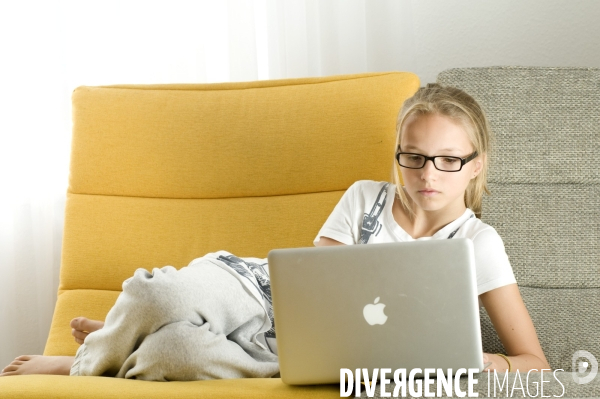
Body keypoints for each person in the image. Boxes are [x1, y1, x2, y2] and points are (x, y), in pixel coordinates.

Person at [0, 83, 550, 379]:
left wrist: (475, 362)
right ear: (398, 155)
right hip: (257, 292)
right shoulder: (365, 197)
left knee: (177, 357)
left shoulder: (479, 244)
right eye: (414, 156)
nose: (428, 174)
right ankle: (104, 345)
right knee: (153, 292)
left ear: (476, 164)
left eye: (449, 160)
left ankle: (135, 333)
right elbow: (308, 292)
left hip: (288, 355)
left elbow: (534, 363)